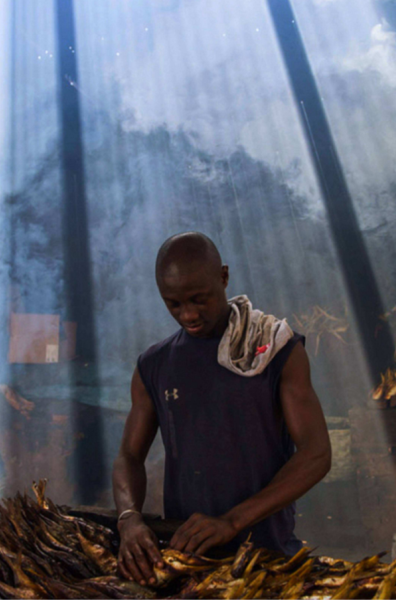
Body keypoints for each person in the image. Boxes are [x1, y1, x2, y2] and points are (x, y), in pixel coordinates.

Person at [112, 232, 331, 586]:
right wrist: (128, 518)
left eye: (200, 299)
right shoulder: (154, 365)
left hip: (266, 559)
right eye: (174, 304)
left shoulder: (276, 350)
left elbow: (317, 454)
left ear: (224, 277)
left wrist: (232, 521)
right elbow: (128, 457)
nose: (189, 315)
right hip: (187, 561)